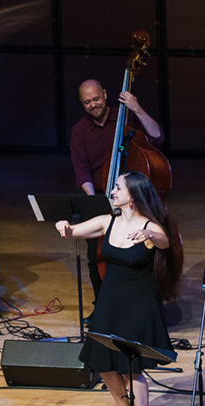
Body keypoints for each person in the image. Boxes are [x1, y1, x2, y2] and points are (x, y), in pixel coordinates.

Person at [54, 171, 181, 406]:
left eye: (118, 187)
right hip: (110, 299)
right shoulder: (106, 222)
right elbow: (74, 231)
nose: (112, 190)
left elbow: (164, 241)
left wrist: (149, 234)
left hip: (138, 302)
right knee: (104, 365)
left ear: (133, 195)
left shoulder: (151, 226)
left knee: (132, 368)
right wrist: (65, 226)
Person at [70, 79, 164, 303]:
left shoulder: (126, 117)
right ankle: (102, 305)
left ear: (104, 94)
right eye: (87, 102)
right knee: (96, 256)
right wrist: (96, 202)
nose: (93, 105)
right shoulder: (80, 130)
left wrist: (136, 107)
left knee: (144, 254)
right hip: (102, 195)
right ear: (82, 104)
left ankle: (146, 302)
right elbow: (82, 171)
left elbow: (157, 136)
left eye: (96, 99)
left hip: (134, 198)